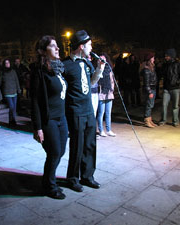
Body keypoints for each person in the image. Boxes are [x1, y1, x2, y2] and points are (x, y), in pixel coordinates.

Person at [62, 30, 104, 192]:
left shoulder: (87, 63)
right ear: (81, 46)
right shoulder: (66, 65)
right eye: (89, 45)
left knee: (90, 145)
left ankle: (88, 176)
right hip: (75, 112)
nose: (92, 47)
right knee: (77, 146)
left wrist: (99, 70)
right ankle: (72, 178)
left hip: (88, 111)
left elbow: (91, 84)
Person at [31, 35, 68, 199]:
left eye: (57, 45)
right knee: (54, 153)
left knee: (60, 152)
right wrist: (38, 127)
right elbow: (35, 101)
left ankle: (48, 180)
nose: (58, 48)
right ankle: (49, 186)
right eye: (53, 46)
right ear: (43, 51)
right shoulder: (39, 72)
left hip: (62, 118)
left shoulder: (59, 68)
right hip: (49, 120)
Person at [159, 49, 180, 127]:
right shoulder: (165, 65)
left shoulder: (178, 64)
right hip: (166, 89)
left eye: (167, 56)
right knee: (164, 105)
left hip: (175, 88)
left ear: (171, 56)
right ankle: (163, 120)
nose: (165, 57)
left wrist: (177, 82)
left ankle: (175, 121)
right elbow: (162, 74)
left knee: (175, 106)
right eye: (165, 56)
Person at [97, 53, 116, 137]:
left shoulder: (109, 70)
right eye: (100, 59)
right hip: (101, 93)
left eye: (104, 59)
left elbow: (112, 81)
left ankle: (109, 130)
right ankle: (101, 130)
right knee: (101, 113)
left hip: (109, 93)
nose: (102, 61)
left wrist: (111, 90)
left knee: (108, 113)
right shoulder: (97, 69)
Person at [1, 59, 21, 126]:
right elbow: (0, 83)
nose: (7, 64)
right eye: (6, 63)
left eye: (8, 63)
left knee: (14, 107)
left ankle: (13, 120)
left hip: (14, 92)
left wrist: (18, 89)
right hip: (7, 92)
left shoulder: (13, 71)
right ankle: (11, 120)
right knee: (11, 107)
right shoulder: (2, 73)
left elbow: (16, 80)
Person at [140, 52, 157, 128]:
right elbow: (146, 83)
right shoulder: (146, 70)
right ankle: (147, 121)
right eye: (153, 58)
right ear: (150, 59)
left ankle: (150, 119)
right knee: (148, 105)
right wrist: (150, 92)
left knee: (151, 105)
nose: (154, 59)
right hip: (150, 90)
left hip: (153, 88)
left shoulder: (151, 68)